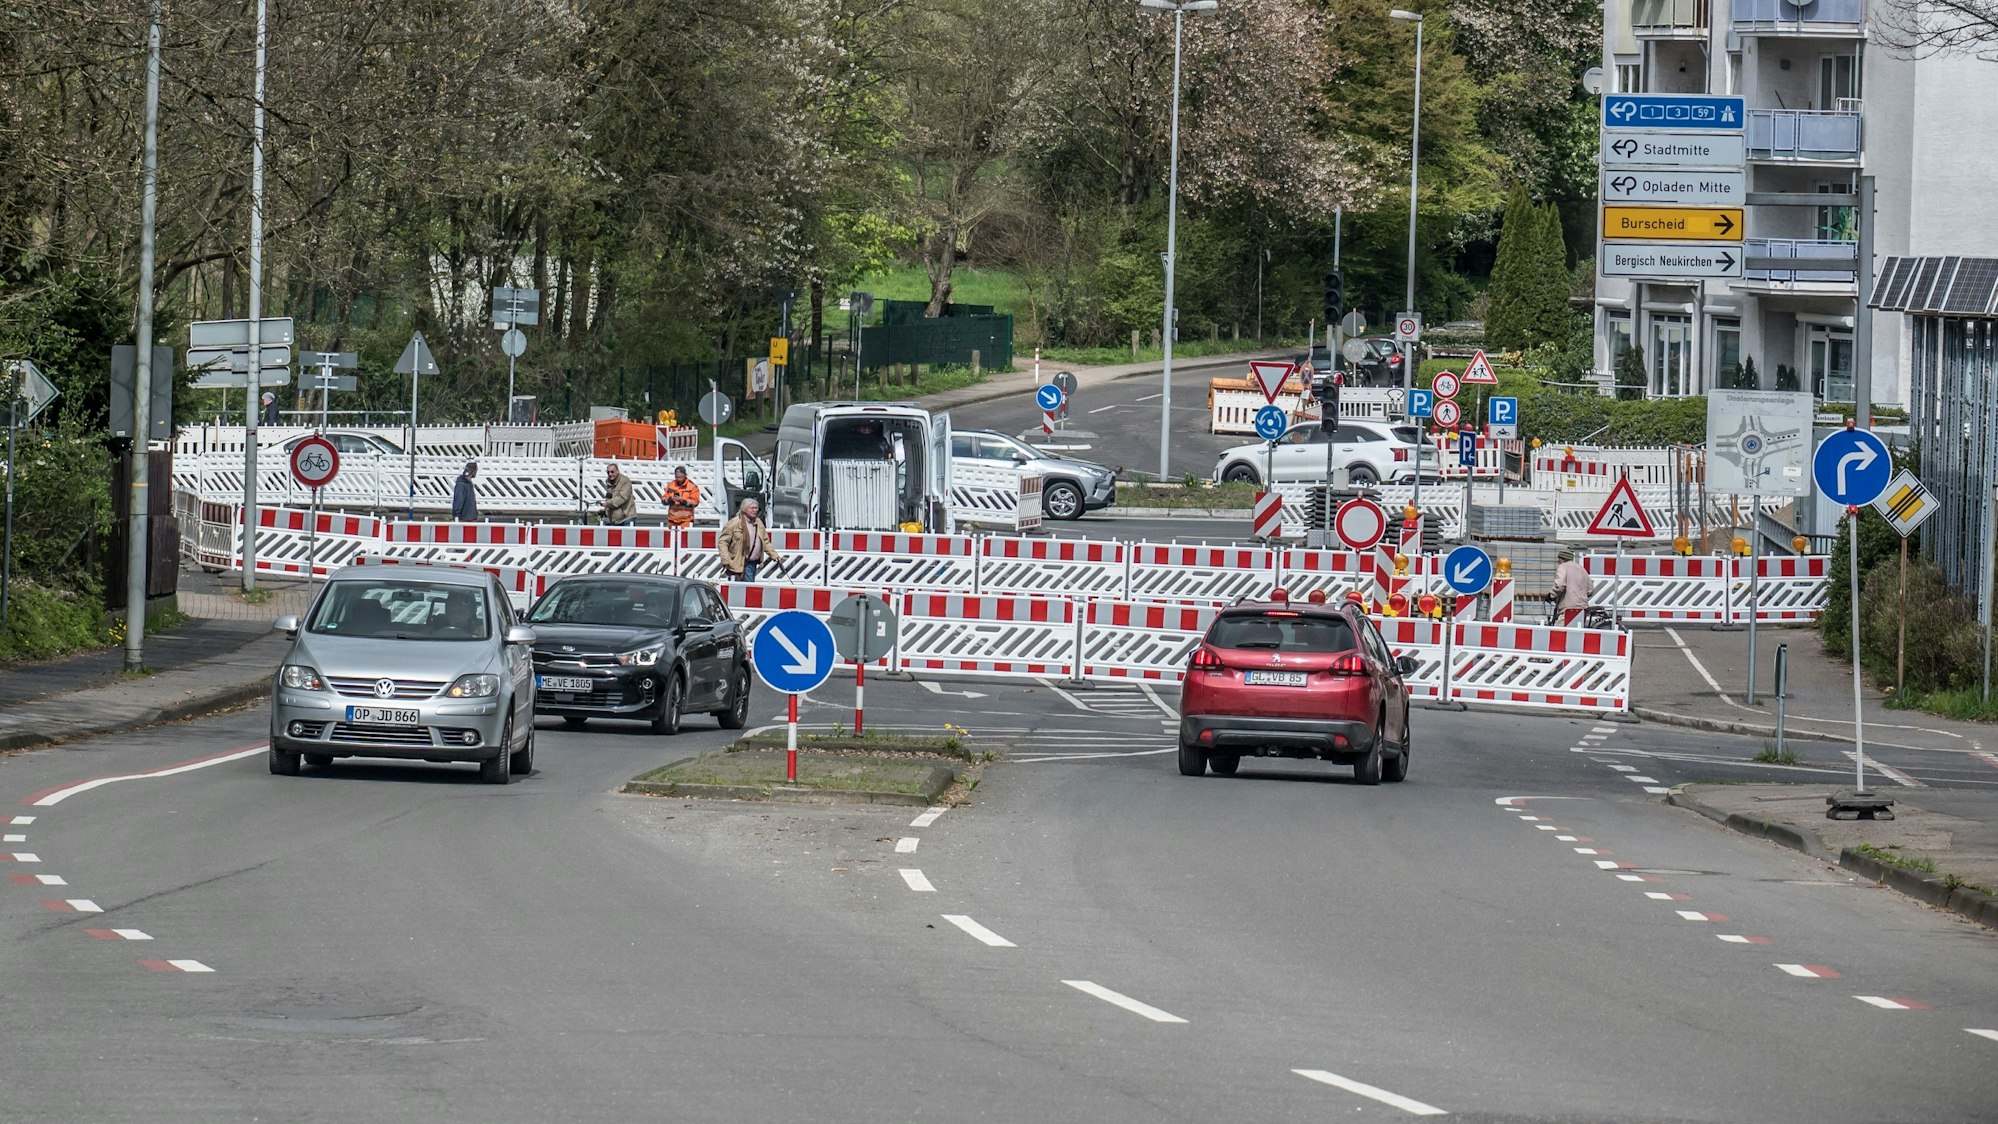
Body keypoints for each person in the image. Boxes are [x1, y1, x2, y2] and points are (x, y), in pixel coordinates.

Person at [718, 497, 780, 582]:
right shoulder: (734, 523)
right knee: (742, 588)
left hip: (752, 563)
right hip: (737, 562)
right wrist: (725, 559)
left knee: (748, 588)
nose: (755, 510)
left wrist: (774, 555)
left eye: (756, 508)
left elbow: (765, 541)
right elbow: (723, 542)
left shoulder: (758, 522)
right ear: (744, 509)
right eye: (752, 508)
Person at [1550, 546, 1592, 627]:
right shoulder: (1581, 569)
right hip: (1582, 609)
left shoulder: (1563, 567)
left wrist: (1552, 595)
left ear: (1561, 558)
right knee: (1576, 634)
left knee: (1557, 634)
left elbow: (1559, 585)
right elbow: (1590, 590)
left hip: (1568, 609)